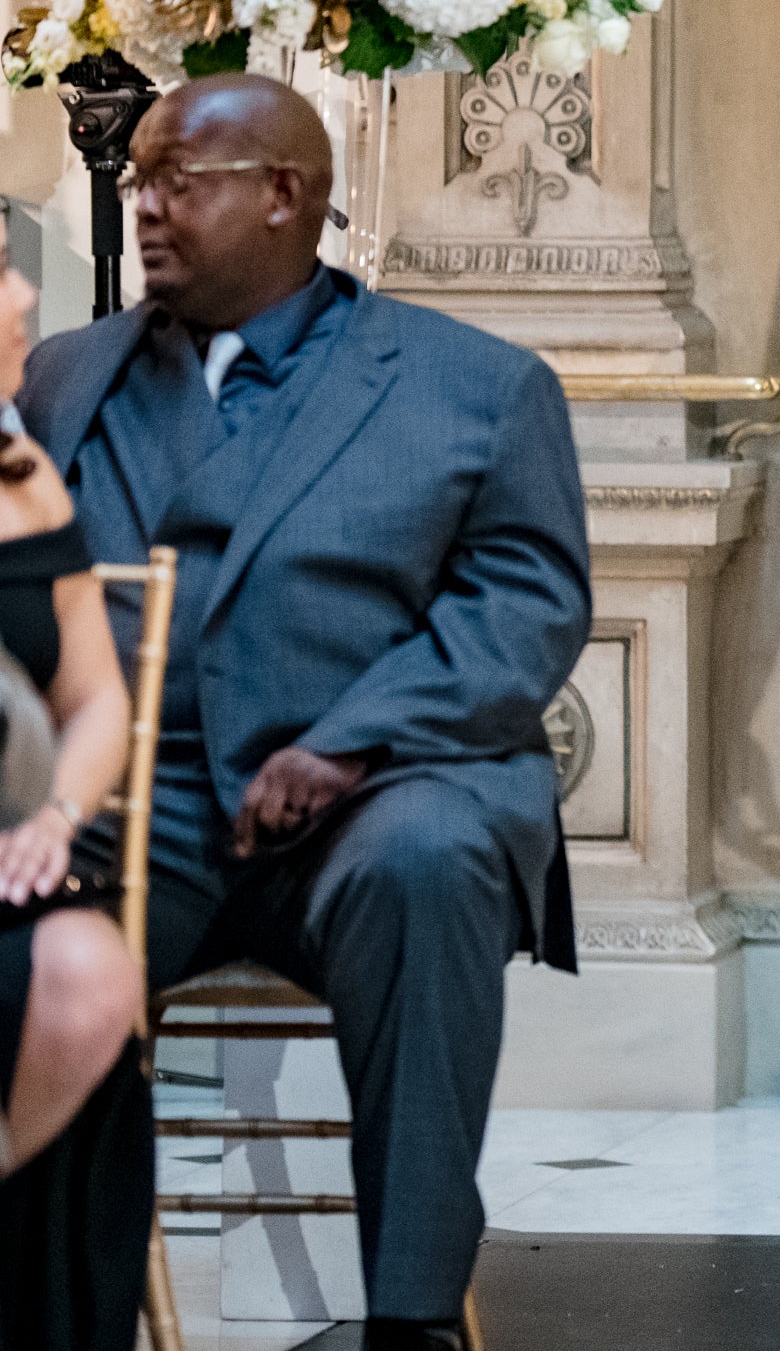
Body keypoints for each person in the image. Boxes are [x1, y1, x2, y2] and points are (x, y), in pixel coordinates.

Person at [20, 74, 593, 1351]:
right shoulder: (69, 375)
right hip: (141, 802)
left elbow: (524, 612)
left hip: (376, 791)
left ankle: (410, 1313)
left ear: (285, 193)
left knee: (427, 859)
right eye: (139, 182)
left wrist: (351, 740)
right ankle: (56, 1308)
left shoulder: (475, 386)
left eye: (177, 181)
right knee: (26, 905)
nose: (144, 206)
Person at [0, 214, 147, 1351]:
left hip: (11, 853)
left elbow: (97, 699)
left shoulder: (26, 481)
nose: (20, 299)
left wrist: (58, 814)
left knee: (91, 973)